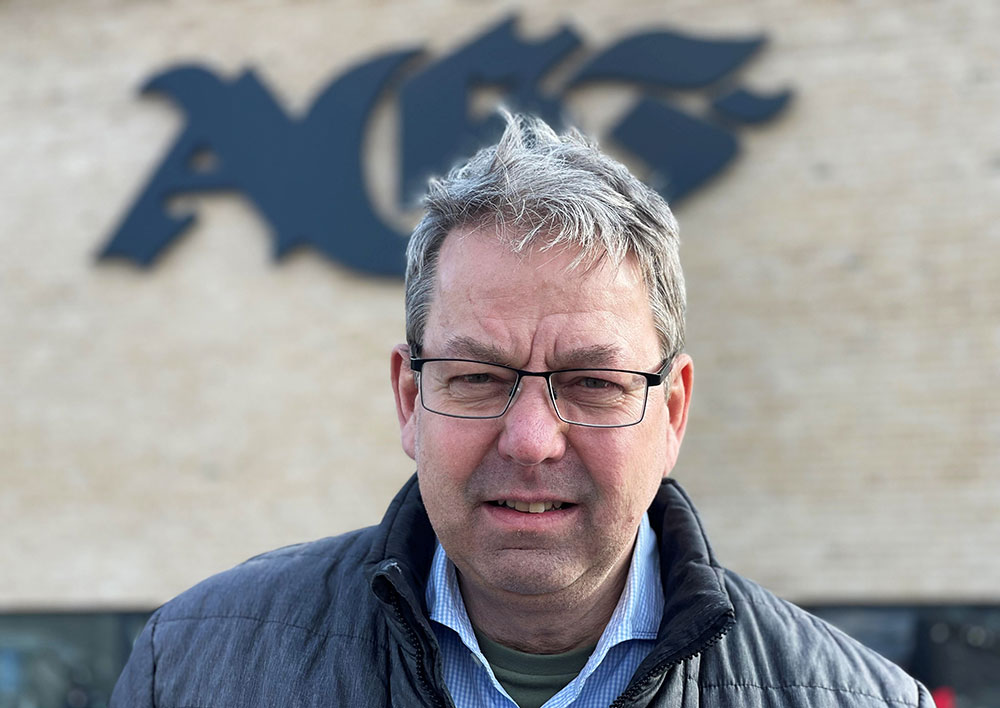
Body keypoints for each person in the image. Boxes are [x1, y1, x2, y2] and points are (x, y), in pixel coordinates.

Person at [112, 113, 933, 707]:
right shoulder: (189, 670)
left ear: (673, 412)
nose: (533, 440)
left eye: (593, 383)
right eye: (477, 376)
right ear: (410, 398)